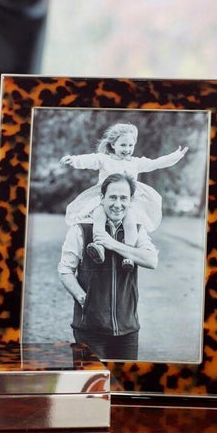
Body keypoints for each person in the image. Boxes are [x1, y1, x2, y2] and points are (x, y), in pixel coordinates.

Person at [60, 122, 187, 270]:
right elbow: (89, 160)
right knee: (99, 214)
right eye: (123, 145)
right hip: (104, 199)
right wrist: (73, 160)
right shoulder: (104, 159)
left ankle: (129, 255)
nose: (127, 149)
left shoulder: (135, 163)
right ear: (113, 144)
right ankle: (99, 246)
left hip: (126, 201)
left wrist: (176, 156)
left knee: (130, 220)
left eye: (130, 145)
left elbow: (156, 163)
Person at [58, 173, 158, 360]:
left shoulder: (137, 230)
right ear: (102, 198)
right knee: (92, 379)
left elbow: (152, 260)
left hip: (128, 329)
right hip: (89, 330)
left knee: (124, 379)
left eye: (123, 198)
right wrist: (83, 298)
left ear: (131, 201)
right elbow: (65, 270)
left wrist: (112, 244)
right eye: (113, 197)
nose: (117, 204)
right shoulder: (81, 230)